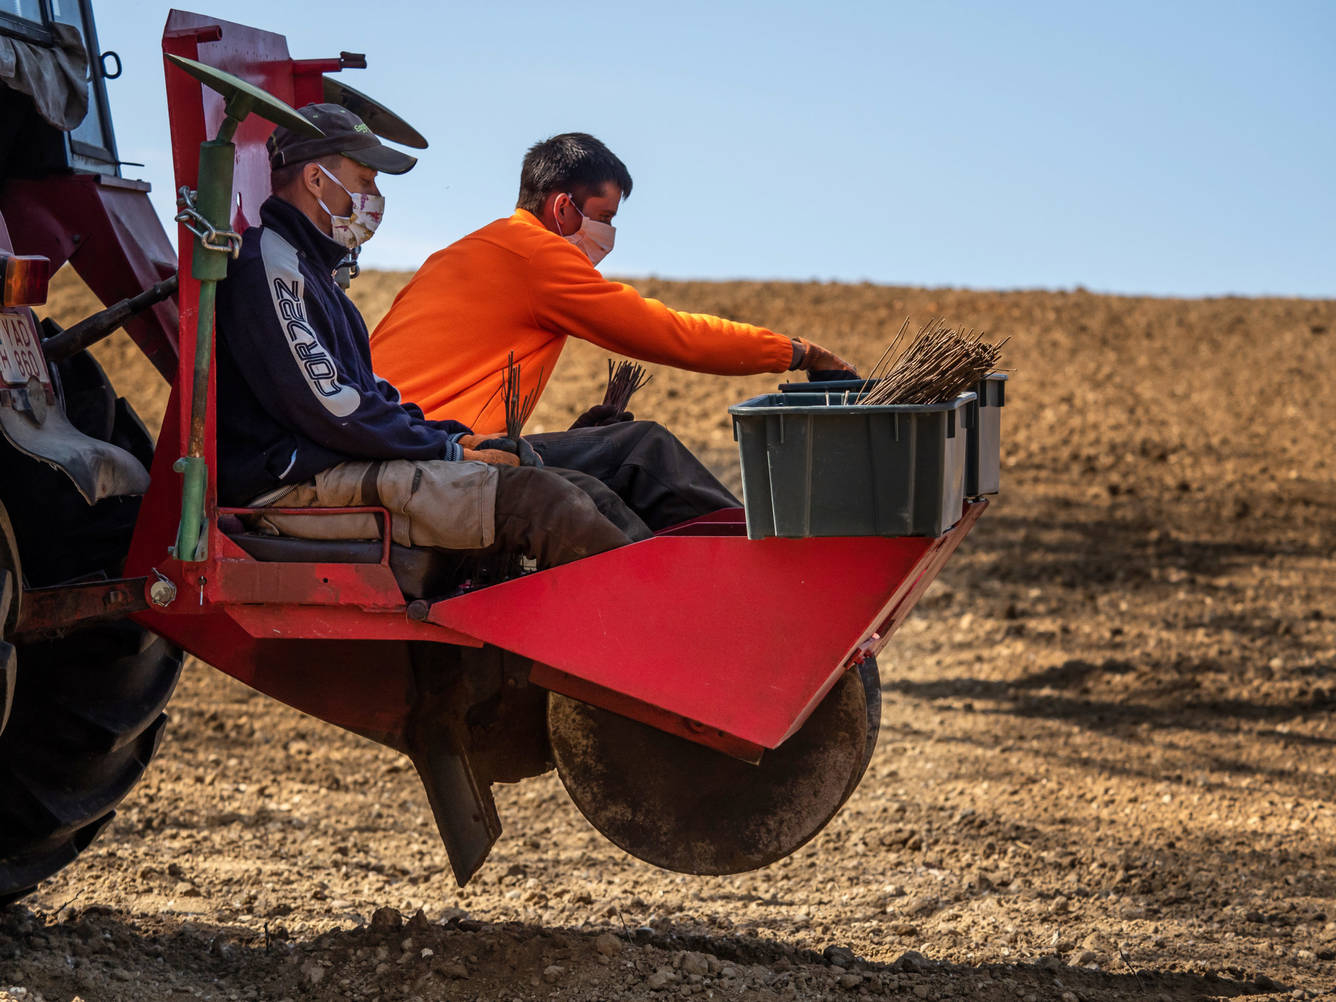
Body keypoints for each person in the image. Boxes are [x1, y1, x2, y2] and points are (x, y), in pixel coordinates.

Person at [214, 105, 643, 571]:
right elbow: (335, 408)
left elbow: (372, 398)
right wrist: (450, 451)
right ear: (316, 180)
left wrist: (461, 437)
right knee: (544, 504)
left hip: (335, 465)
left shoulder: (315, 275)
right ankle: (649, 623)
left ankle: (668, 593)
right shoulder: (271, 267)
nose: (374, 197)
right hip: (292, 486)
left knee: (583, 490)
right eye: (364, 181)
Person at [369, 132, 856, 531]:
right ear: (563, 208)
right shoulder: (536, 254)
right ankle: (764, 566)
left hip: (398, 441)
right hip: (435, 453)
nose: (607, 234)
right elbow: (668, 334)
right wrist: (797, 352)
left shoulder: (465, 252)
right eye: (603, 218)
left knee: (610, 451)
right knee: (641, 450)